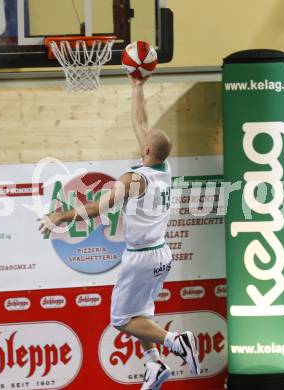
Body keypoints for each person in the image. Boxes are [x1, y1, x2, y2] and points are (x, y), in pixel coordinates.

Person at [39, 75, 200, 389]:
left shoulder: (133, 178)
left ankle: (177, 342)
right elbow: (141, 124)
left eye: (144, 139)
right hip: (161, 253)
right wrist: (137, 85)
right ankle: (154, 363)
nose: (141, 136)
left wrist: (62, 216)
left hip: (141, 258)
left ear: (146, 150)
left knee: (122, 320)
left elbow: (100, 207)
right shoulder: (163, 169)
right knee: (140, 314)